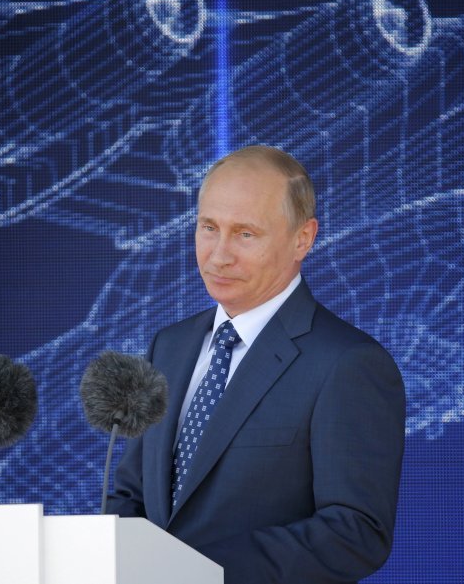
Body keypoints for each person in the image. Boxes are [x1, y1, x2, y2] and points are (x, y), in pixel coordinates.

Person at [108, 145, 405, 584]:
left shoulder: (348, 363)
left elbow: (356, 531)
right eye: (209, 228)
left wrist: (197, 574)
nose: (219, 255)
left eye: (245, 234)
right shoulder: (167, 348)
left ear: (303, 238)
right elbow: (133, 494)